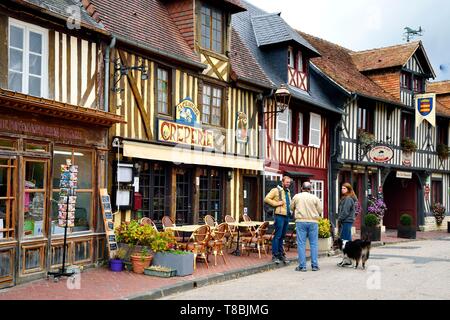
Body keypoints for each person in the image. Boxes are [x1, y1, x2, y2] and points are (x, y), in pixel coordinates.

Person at [290, 181, 323, 272]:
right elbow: (320, 210)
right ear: (310, 189)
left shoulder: (297, 197)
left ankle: (302, 266)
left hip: (301, 221)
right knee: (314, 244)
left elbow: (291, 207)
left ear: (302, 188)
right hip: (313, 222)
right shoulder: (315, 197)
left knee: (301, 244)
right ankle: (315, 265)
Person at [264, 176, 292, 264]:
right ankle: (275, 255)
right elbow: (266, 199)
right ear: (282, 182)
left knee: (282, 236)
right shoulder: (276, 190)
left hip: (286, 216)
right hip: (279, 216)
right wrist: (276, 203)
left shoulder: (288, 191)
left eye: (289, 182)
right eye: (287, 182)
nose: (288, 184)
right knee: (278, 235)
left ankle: (281, 255)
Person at [337, 183, 358, 267]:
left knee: (346, 242)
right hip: (346, 221)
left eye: (344, 188)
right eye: (342, 188)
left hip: (346, 221)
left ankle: (349, 260)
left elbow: (345, 212)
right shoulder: (345, 198)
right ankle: (346, 260)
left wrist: (339, 219)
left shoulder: (348, 199)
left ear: (349, 190)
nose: (342, 189)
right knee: (345, 242)